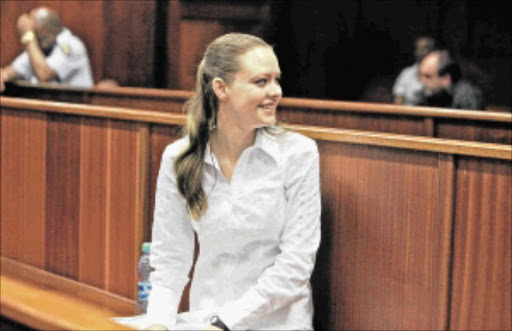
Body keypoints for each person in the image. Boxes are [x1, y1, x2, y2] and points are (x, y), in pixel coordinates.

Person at [145, 33, 321, 331]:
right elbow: (170, 260)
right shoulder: (179, 157)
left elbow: (295, 267)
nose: (276, 91)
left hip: (277, 326)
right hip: (203, 321)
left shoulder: (298, 153)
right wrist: (157, 324)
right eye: (261, 81)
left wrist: (224, 324)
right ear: (221, 88)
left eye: (277, 80)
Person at [0, 7, 93, 93]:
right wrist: (3, 75)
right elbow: (11, 72)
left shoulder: (72, 45)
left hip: (77, 105)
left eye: (37, 36)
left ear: (54, 30)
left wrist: (28, 36)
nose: (35, 40)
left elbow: (44, 75)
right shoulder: (43, 46)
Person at [418, 49, 486, 110]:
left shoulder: (467, 96)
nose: (422, 81)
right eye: (420, 76)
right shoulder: (439, 95)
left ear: (445, 78)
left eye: (428, 76)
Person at [392, 36, 436, 105]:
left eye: (425, 48)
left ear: (433, 51)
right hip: (408, 114)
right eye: (418, 48)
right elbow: (398, 101)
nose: (420, 51)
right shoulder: (406, 74)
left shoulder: (441, 73)